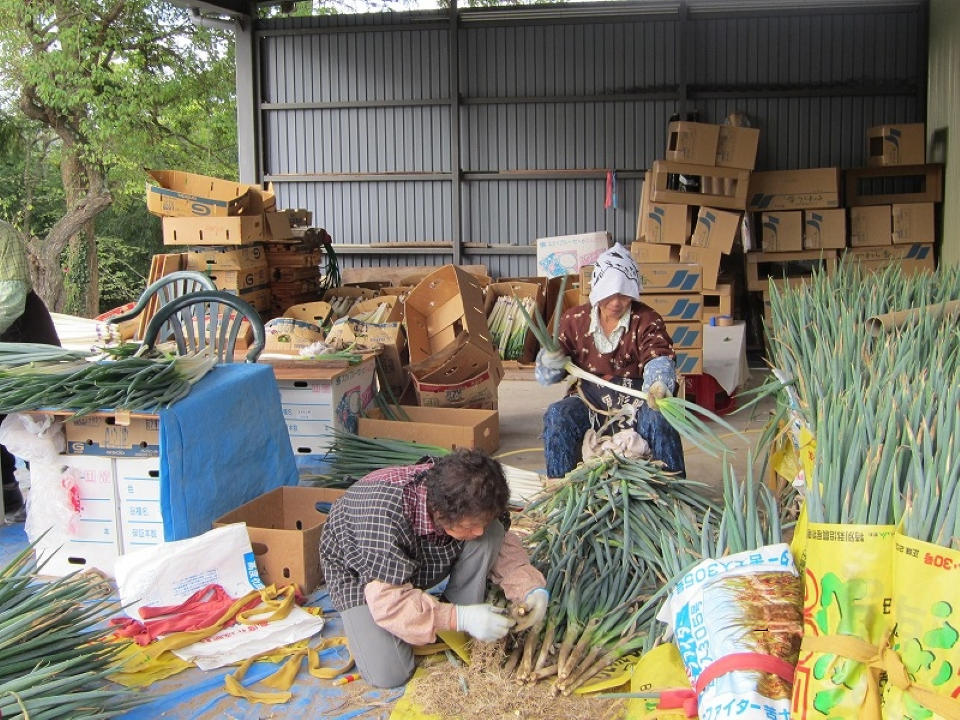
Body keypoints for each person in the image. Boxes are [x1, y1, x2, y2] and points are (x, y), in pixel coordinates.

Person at [319, 448, 548, 688]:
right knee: (389, 674)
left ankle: (455, 618)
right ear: (440, 512)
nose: (478, 532)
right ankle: (453, 617)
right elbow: (387, 601)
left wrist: (531, 589)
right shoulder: (383, 516)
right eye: (470, 525)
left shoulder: (466, 489)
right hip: (361, 573)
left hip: (415, 556)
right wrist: (459, 618)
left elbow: (497, 542)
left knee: (491, 534)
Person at [535, 242, 686, 479]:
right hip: (590, 402)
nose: (616, 302)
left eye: (624, 294)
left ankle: (674, 493)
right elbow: (549, 375)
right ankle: (560, 490)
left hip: (637, 404)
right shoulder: (575, 319)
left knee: (660, 417)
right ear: (597, 288)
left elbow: (658, 356)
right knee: (557, 415)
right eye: (609, 293)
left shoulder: (646, 319)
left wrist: (659, 383)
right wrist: (549, 361)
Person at [0, 219, 61, 522]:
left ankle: (54, 500)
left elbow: (10, 300)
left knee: (38, 423)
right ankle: (9, 494)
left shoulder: (3, 235)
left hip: (21, 336)